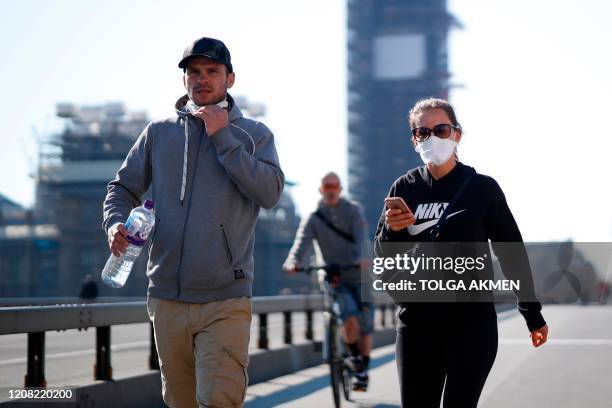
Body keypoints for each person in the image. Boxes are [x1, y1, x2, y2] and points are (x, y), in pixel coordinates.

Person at [102, 36, 284, 408]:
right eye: (194, 72)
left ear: (229, 79)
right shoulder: (159, 132)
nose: (202, 79)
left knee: (218, 402)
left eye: (212, 71)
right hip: (166, 297)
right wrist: (115, 223)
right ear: (184, 80)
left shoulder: (254, 135)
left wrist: (223, 138)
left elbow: (270, 193)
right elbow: (122, 188)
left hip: (225, 298)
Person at [373, 98, 549, 407]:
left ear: (457, 134)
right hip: (416, 324)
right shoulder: (403, 187)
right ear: (414, 140)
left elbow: (511, 253)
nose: (432, 138)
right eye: (422, 132)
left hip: (471, 324)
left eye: (440, 129)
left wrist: (531, 312)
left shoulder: (483, 189)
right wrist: (392, 229)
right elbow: (382, 255)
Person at [283, 172, 373, 391]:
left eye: (334, 186)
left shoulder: (353, 210)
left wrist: (364, 256)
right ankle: (356, 363)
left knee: (366, 328)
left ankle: (363, 370)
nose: (331, 190)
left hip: (359, 274)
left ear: (340, 189)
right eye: (326, 186)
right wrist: (292, 261)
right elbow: (301, 242)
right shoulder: (314, 216)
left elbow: (362, 234)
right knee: (348, 315)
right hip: (333, 276)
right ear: (321, 190)